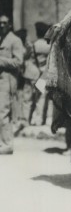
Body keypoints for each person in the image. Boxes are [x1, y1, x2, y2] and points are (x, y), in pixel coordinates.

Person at [0, 14, 24, 154]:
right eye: (0, 23)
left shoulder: (15, 41)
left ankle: (7, 144)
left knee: (4, 113)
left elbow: (18, 62)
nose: (2, 25)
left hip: (7, 81)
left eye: (5, 23)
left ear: (10, 25)